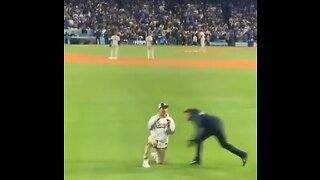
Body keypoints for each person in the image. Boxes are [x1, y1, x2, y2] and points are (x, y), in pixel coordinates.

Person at [184, 108, 248, 166]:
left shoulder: (195, 116)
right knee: (224, 144)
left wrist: (196, 138)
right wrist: (195, 138)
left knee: (199, 139)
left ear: (190, 113)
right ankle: (243, 154)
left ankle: (197, 160)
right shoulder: (198, 113)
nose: (185, 117)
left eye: (186, 115)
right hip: (217, 124)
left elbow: (199, 127)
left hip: (212, 127)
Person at [142, 103, 176, 168]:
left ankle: (155, 155)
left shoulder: (170, 120)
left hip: (162, 143)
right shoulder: (154, 118)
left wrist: (169, 127)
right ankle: (145, 161)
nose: (164, 110)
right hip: (154, 139)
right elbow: (149, 127)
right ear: (159, 109)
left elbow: (172, 132)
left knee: (161, 162)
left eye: (165, 108)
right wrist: (156, 120)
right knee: (150, 141)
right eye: (162, 108)